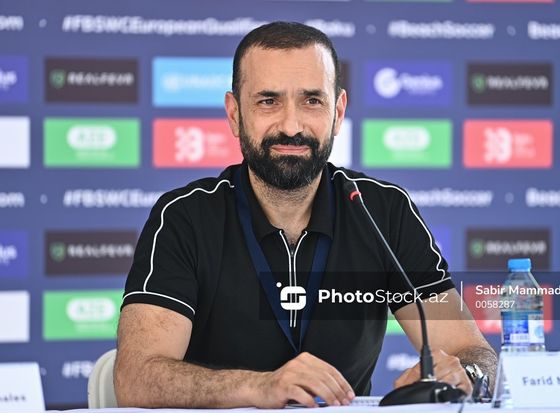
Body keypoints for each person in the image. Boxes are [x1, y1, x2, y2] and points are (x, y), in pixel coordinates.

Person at [114, 21, 497, 408]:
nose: (291, 126)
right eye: (268, 101)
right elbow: (136, 379)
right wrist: (260, 387)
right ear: (234, 114)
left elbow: (475, 352)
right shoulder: (184, 217)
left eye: (312, 101)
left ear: (338, 112)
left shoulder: (383, 210)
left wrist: (467, 373)